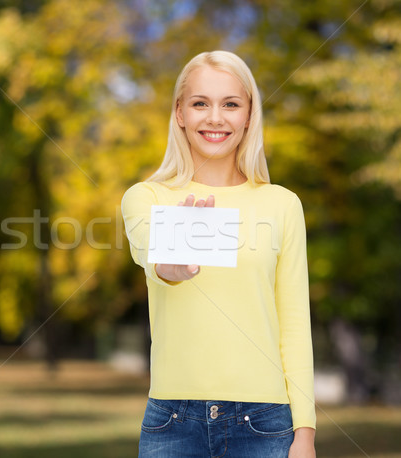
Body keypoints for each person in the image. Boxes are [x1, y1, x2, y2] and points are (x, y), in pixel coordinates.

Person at [121, 50, 317, 458]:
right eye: (200, 103)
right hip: (172, 423)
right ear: (179, 113)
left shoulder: (282, 204)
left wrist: (305, 435)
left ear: (249, 115)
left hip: (265, 424)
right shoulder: (146, 197)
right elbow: (152, 258)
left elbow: (295, 325)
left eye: (230, 104)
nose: (215, 117)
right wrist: (172, 264)